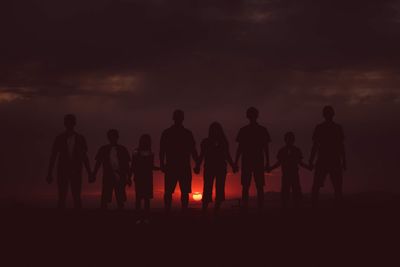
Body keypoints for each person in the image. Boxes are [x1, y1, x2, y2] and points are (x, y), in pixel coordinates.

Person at [46, 114, 91, 209]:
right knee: (63, 196)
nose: (69, 124)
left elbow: (84, 156)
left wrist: (89, 172)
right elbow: (53, 156)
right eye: (68, 122)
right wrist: (49, 172)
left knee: (76, 196)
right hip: (64, 170)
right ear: (65, 123)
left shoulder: (79, 138)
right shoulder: (60, 138)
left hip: (75, 170)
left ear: (73, 123)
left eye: (70, 122)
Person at [160, 109, 199, 212]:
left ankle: (173, 211)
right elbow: (162, 150)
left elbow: (192, 150)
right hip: (178, 166)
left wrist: (197, 163)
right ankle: (177, 210)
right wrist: (197, 163)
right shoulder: (185, 133)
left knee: (179, 192)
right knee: (174, 192)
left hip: (178, 166)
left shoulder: (168, 133)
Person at [194, 122, 237, 212]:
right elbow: (202, 155)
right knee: (209, 188)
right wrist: (197, 165)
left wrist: (233, 165)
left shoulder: (220, 142)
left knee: (216, 189)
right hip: (213, 168)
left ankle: (211, 211)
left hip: (217, 168)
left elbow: (227, 155)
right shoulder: (208, 142)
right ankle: (207, 211)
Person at [309, 106, 346, 207]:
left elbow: (315, 146)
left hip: (326, 160)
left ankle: (314, 206)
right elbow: (341, 146)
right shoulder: (336, 128)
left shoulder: (322, 128)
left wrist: (311, 161)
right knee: (335, 187)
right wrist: (344, 161)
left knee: (318, 187)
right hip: (330, 160)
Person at [235, 107, 271, 209]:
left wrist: (236, 162)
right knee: (258, 186)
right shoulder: (262, 130)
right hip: (257, 161)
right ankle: (259, 208)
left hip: (248, 161)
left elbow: (240, 148)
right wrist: (267, 162)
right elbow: (265, 148)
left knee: (247, 187)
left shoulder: (244, 130)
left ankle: (246, 208)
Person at [269, 132, 310, 208]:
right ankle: (294, 209)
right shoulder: (294, 150)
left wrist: (271, 168)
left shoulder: (284, 150)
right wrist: (308, 167)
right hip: (290, 175)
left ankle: (289, 209)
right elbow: (300, 162)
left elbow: (279, 163)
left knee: (290, 193)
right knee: (291, 193)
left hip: (289, 175)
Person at [92, 129, 131, 210]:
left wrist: (129, 177)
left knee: (119, 198)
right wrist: (94, 174)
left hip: (120, 176)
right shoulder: (104, 149)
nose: (112, 138)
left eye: (114, 136)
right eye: (111, 136)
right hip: (108, 176)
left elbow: (127, 166)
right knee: (106, 197)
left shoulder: (122, 149)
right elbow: (98, 163)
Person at [130, 134, 160, 222]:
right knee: (140, 199)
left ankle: (144, 218)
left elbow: (150, 166)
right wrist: (129, 177)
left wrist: (159, 168)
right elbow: (133, 166)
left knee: (144, 199)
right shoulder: (136, 152)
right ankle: (140, 218)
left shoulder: (150, 153)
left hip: (146, 178)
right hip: (141, 177)